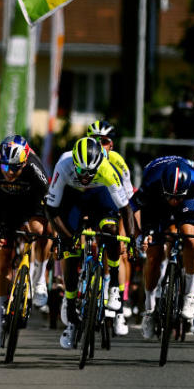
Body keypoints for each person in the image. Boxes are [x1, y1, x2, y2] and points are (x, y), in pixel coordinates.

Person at [46, 136, 137, 349]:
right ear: (75, 164)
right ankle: (69, 305)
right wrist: (68, 238)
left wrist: (131, 239)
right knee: (70, 249)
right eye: (82, 171)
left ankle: (114, 284)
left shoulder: (106, 169)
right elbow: (51, 210)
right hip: (72, 196)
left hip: (99, 196)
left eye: (90, 172)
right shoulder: (64, 165)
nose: (86, 176)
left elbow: (126, 209)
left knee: (111, 231)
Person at [133, 155, 194, 339]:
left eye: (176, 197)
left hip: (187, 200)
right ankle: (149, 310)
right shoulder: (152, 181)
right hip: (157, 202)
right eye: (171, 197)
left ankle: (189, 294)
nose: (174, 201)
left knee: (191, 239)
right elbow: (131, 209)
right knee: (154, 255)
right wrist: (138, 235)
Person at [0, 135, 51, 350]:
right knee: (2, 257)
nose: (10, 172)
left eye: (15, 168)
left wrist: (52, 234)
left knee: (39, 230)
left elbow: (52, 207)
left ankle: (39, 276)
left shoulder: (35, 170)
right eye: (6, 166)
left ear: (25, 163)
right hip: (5, 205)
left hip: (31, 203)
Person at [86, 119, 132, 336]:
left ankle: (119, 308)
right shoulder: (81, 155)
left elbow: (128, 201)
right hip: (87, 207)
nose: (98, 144)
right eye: (94, 140)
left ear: (111, 144)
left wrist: (125, 234)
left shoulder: (117, 162)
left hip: (111, 210)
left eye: (103, 141)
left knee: (118, 251)